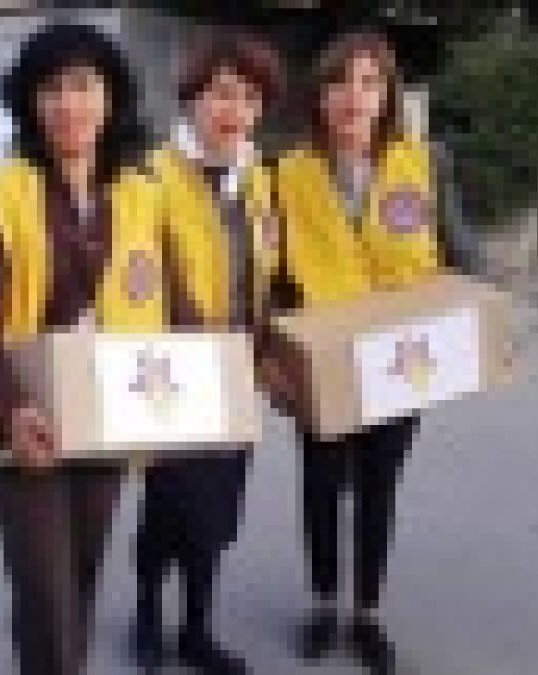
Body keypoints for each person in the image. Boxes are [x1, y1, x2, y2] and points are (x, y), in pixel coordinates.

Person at [269, 30, 483, 674]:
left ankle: (368, 613)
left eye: (369, 82)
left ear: (388, 94)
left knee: (377, 486)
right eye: (339, 82)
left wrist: (469, 316)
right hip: (323, 360)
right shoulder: (286, 173)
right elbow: (271, 275)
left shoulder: (425, 161)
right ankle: (323, 604)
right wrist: (274, 351)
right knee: (320, 484)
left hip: (400, 358)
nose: (353, 96)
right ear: (319, 96)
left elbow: (463, 255)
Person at [0, 23, 162, 675]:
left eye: (82, 85)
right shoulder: (2, 192)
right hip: (20, 425)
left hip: (106, 419)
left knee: (79, 580)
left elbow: (172, 303)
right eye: (50, 89)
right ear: (30, 102)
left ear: (110, 98)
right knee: (46, 592)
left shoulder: (141, 194)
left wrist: (208, 383)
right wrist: (11, 407)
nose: (67, 104)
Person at [131, 34, 285, 674]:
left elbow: (267, 276)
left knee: (218, 510)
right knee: (169, 504)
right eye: (222, 94)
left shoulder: (259, 182)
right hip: (170, 375)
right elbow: (135, 276)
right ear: (193, 98)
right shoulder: (152, 177)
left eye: (249, 98)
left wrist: (268, 348)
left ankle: (197, 629)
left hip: (235, 374)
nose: (234, 110)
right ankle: (147, 612)